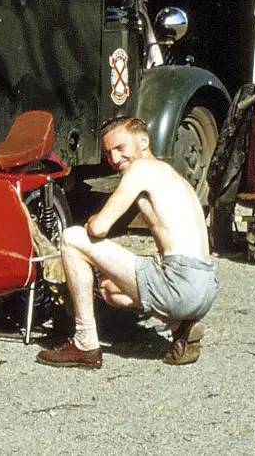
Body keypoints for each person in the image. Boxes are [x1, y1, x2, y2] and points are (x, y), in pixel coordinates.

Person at [36, 116, 218, 369]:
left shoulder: (141, 170)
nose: (115, 159)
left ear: (143, 141)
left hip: (179, 280)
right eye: (109, 153)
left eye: (121, 148)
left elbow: (99, 228)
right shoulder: (173, 176)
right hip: (206, 286)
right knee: (110, 289)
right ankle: (181, 326)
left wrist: (91, 221)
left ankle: (84, 343)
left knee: (72, 238)